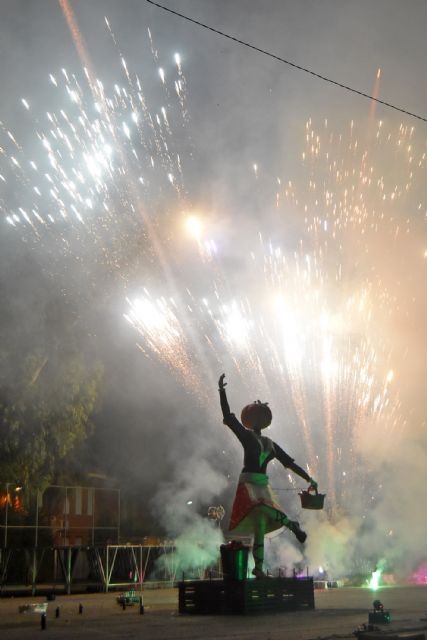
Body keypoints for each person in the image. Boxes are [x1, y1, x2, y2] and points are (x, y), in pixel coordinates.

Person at [218, 373, 317, 578]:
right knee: (262, 508)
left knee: (260, 527)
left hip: (262, 484)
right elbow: (228, 417)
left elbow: (289, 463)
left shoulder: (270, 443)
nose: (258, 421)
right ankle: (293, 526)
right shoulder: (246, 436)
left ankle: (258, 568)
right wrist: (222, 391)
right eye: (256, 418)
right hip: (249, 483)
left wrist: (308, 478)